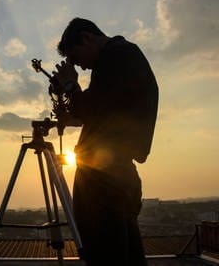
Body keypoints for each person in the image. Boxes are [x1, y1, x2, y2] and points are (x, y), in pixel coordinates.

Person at [51, 18, 159, 266]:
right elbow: (104, 111)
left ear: (87, 38)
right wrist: (73, 113)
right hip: (117, 171)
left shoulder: (116, 56)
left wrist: (70, 83)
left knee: (104, 252)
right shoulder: (122, 57)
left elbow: (93, 108)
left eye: (78, 59)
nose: (83, 68)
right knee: (124, 253)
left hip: (104, 177)